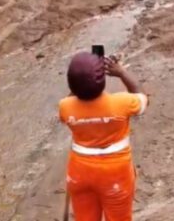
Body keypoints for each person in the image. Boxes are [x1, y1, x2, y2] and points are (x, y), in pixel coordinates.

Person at [59, 51, 148, 221]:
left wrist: (80, 81)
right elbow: (142, 97)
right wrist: (121, 72)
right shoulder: (123, 103)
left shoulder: (65, 106)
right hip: (115, 174)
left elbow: (73, 97)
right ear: (102, 80)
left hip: (79, 173)